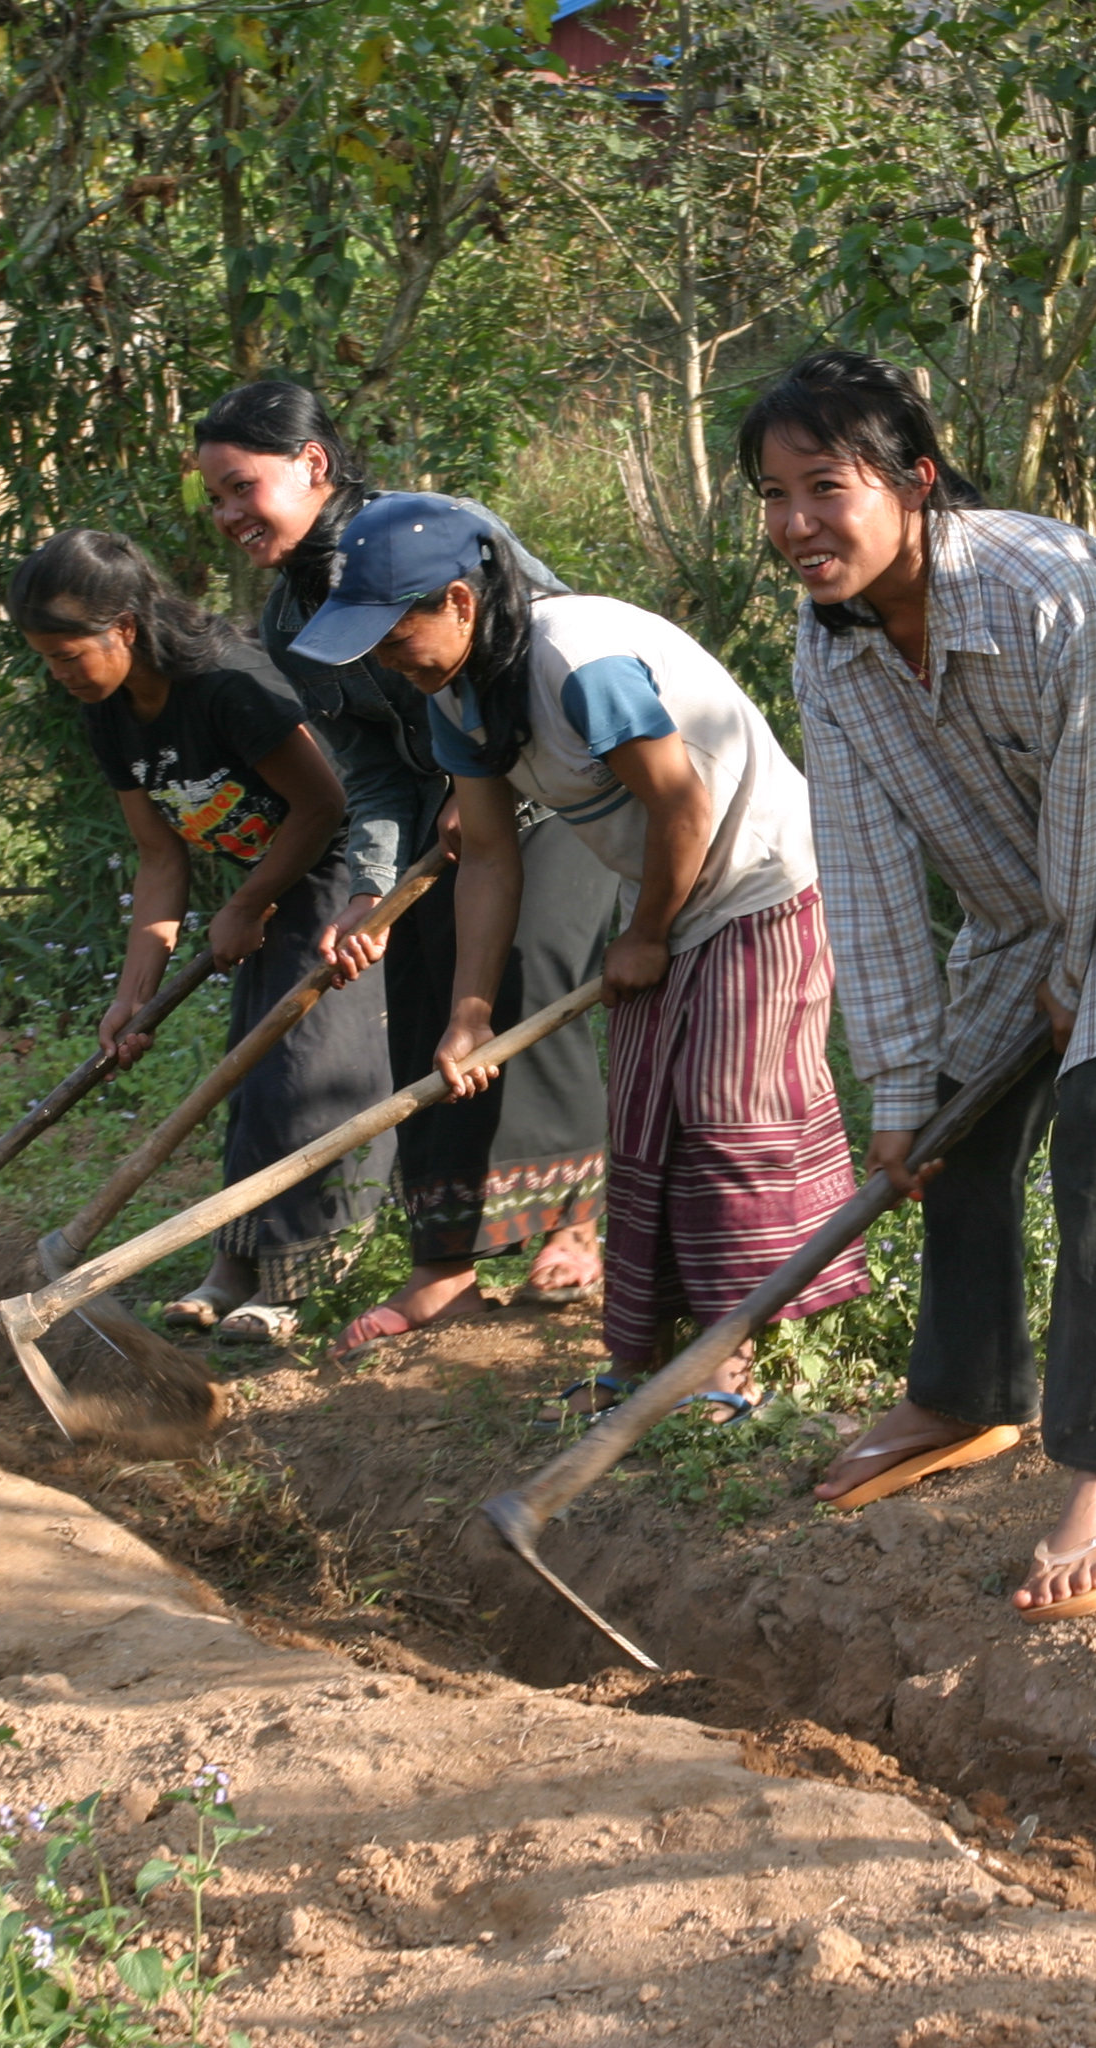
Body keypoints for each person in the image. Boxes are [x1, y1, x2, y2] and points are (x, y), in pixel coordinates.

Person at [745, 349, 1096, 1622]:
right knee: (955, 1123)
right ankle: (962, 1392)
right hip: (1021, 872)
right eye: (772, 496)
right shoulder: (830, 653)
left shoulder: (1055, 585)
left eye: (824, 487)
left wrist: (1073, 968)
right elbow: (868, 871)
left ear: (915, 480)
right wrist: (896, 1082)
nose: (794, 526)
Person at [290, 493, 870, 1416]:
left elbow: (684, 805)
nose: (385, 661)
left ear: (459, 602)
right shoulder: (457, 696)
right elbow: (486, 854)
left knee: (722, 1108)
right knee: (642, 1119)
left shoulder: (578, 661)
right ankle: (643, 1359)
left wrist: (642, 934)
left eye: (394, 635)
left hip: (762, 881)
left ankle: (729, 1368)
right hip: (670, 892)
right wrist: (471, 1010)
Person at [192, 382, 618, 1357]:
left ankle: (573, 1225)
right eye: (213, 498)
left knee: (528, 971)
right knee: (429, 1001)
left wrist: (495, 783)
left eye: (240, 487)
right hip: (442, 813)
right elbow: (374, 768)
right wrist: (371, 893)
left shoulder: (435, 534)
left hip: (548, 783)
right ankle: (446, 1264)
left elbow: (546, 645)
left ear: (312, 465)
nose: (226, 516)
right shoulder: (287, 616)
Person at [5, 529, 368, 1346]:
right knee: (247, 1073)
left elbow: (325, 805)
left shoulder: (227, 685)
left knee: (303, 1070)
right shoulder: (112, 716)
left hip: (342, 870)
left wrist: (248, 902)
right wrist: (131, 999)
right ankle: (237, 1263)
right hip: (268, 880)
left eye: (68, 654)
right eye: (47, 659)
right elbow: (159, 858)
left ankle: (302, 1270)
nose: (58, 675)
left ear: (125, 628)